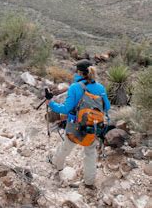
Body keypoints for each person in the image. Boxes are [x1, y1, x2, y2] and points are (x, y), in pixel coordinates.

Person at [46, 59, 110, 188]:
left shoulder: (75, 87)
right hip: (94, 126)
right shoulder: (100, 87)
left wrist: (50, 103)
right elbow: (107, 107)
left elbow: (65, 109)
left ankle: (57, 166)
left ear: (79, 72)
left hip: (75, 125)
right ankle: (89, 182)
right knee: (90, 154)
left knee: (66, 147)